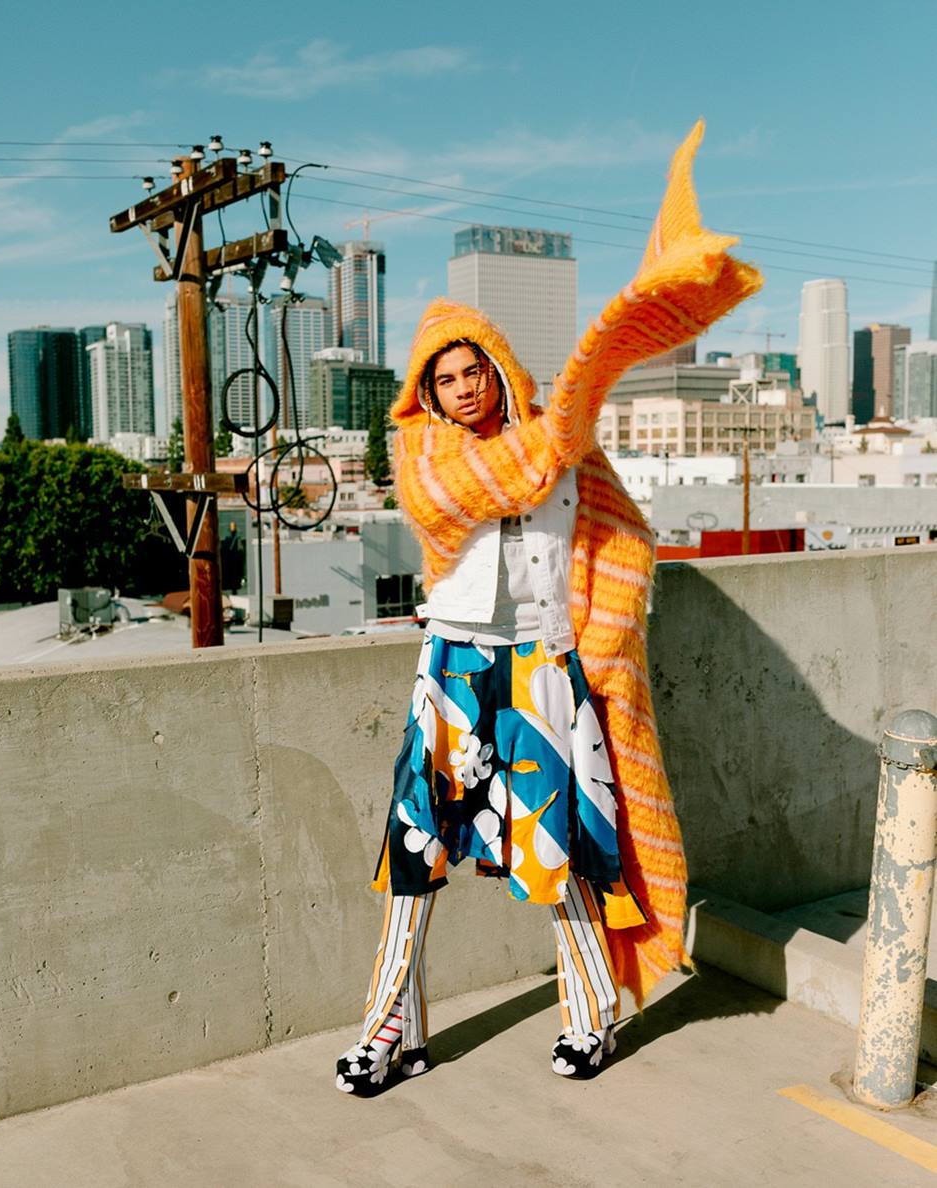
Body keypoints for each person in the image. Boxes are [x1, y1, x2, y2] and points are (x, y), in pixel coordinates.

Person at [336, 122, 762, 1095]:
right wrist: (565, 417)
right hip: (451, 669)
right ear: (428, 390)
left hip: (542, 667)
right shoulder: (424, 454)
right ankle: (386, 1032)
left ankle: (590, 1018)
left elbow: (620, 542)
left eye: (471, 369)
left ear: (493, 365)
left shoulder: (564, 445)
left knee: (561, 856)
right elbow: (471, 494)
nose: (459, 388)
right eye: (442, 377)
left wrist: (601, 647)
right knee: (411, 861)